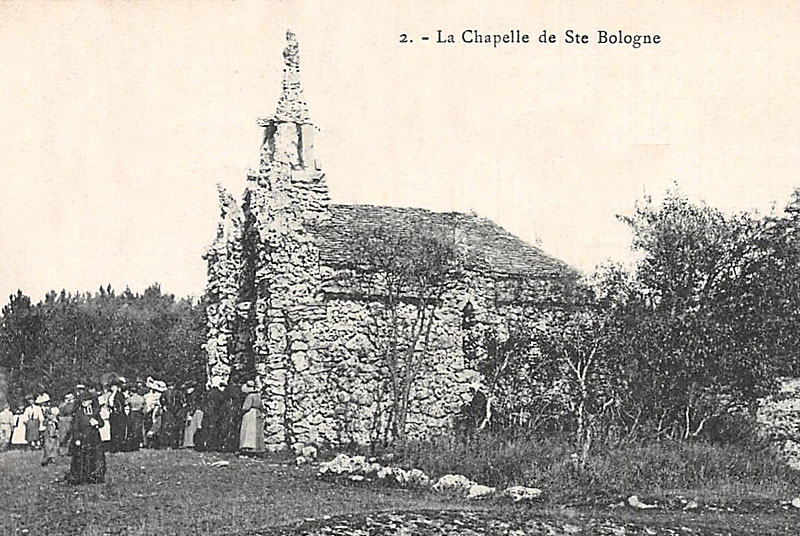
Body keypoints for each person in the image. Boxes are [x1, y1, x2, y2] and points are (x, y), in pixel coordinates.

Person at [66, 392, 106, 485]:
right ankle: (82, 477)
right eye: (83, 400)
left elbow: (101, 423)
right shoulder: (79, 413)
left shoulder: (95, 412)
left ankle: (95, 476)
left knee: (96, 456)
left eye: (87, 400)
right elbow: (75, 427)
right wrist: (77, 439)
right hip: (83, 438)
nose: (85, 402)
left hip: (94, 438)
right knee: (82, 458)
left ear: (91, 401)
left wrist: (96, 422)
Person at [238, 380, 265, 455]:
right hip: (257, 412)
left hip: (250, 413)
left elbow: (246, 407)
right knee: (256, 430)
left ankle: (248, 448)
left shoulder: (250, 396)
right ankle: (257, 448)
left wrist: (241, 411)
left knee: (249, 431)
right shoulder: (258, 396)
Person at [107, 378, 126, 452]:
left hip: (119, 415)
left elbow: (121, 405)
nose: (111, 388)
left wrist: (117, 411)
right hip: (113, 415)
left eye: (113, 386)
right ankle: (113, 447)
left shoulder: (120, 395)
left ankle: (119, 447)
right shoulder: (111, 395)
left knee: (119, 431)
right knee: (113, 431)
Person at [40, 394, 59, 466]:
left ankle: (51, 457)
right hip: (47, 426)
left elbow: (54, 417)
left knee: (52, 441)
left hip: (52, 426)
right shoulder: (44, 409)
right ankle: (48, 457)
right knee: (47, 443)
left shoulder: (52, 409)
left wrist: (50, 417)